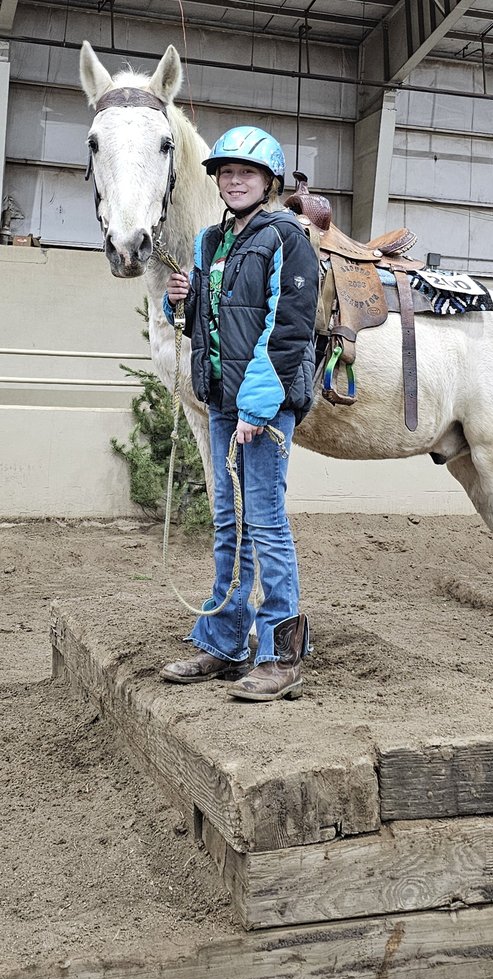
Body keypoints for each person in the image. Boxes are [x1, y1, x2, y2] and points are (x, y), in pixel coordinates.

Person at [160, 126, 319, 701]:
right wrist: (180, 299)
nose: (234, 179)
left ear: (269, 180)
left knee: (267, 523)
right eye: (226, 171)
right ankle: (224, 639)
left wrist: (257, 406)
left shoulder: (287, 238)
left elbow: (289, 329)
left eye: (246, 172)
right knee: (230, 521)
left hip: (263, 406)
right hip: (224, 401)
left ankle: (281, 654)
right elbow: (210, 321)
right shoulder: (212, 241)